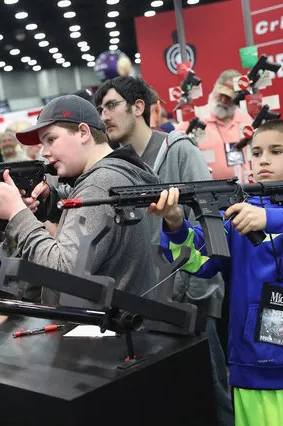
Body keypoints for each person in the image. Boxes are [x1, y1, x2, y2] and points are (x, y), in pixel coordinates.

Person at [150, 120, 283, 426]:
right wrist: (174, 224)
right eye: (257, 152)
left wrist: (272, 218)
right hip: (253, 361)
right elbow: (198, 263)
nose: (263, 159)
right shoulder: (238, 210)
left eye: (276, 151)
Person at [94, 76, 233, 426]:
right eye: (99, 109)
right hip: (148, 296)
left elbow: (208, 218)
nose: (104, 115)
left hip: (192, 294)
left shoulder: (179, 149)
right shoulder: (116, 164)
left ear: (138, 107)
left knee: (213, 389)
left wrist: (197, 294)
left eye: (110, 105)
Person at [0, 95, 159, 304]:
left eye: (51, 139)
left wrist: (17, 214)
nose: (45, 152)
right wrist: (49, 202)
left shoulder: (99, 184)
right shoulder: (120, 173)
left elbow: (62, 272)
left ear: (83, 133)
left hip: (101, 329)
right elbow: (92, 213)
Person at [200, 69, 254, 180]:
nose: (223, 100)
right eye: (221, 95)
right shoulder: (198, 119)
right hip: (211, 193)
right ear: (214, 89)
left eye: (229, 97)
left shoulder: (247, 121)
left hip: (247, 191)